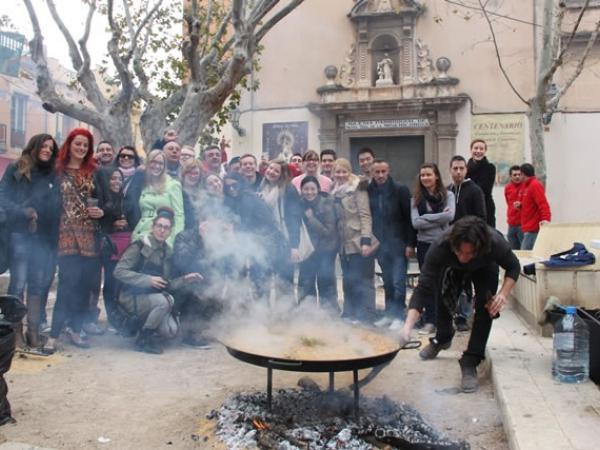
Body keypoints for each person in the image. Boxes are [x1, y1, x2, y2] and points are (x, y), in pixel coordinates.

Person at [398, 216, 520, 393]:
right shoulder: (441, 246)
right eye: (460, 252)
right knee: (442, 293)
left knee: (487, 308)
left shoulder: (494, 242)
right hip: (451, 267)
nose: (464, 257)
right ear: (453, 245)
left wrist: (502, 294)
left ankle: (471, 361)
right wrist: (407, 327)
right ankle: (443, 337)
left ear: (479, 247)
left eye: (469, 253)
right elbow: (423, 288)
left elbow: (514, 267)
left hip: (484, 267)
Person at [45, 128, 105, 352]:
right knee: (67, 285)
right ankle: (54, 334)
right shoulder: (57, 171)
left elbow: (104, 200)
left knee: (83, 287)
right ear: (69, 145)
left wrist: (101, 211)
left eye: (85, 145)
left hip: (89, 235)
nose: (81, 148)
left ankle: (76, 328)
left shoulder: (94, 171)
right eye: (77, 144)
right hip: (65, 234)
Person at [0, 134, 60, 349]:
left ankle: (32, 332)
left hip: (43, 238)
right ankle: (14, 335)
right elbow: (2, 197)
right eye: (44, 146)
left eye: (51, 148)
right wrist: (23, 212)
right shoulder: (17, 168)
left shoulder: (53, 174)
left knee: (37, 285)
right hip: (19, 234)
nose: (47, 151)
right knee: (18, 283)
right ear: (34, 146)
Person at [115, 207, 199, 354]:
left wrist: (184, 280)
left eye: (166, 228)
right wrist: (147, 280)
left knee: (171, 331)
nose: (162, 230)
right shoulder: (140, 246)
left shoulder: (167, 251)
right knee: (165, 301)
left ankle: (145, 326)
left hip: (151, 297)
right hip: (130, 297)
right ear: (153, 227)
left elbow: (166, 283)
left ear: (170, 231)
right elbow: (119, 272)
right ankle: (143, 339)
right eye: (159, 226)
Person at [367, 159, 416, 329]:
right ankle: (389, 314)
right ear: (372, 173)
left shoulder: (400, 190)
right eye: (377, 172)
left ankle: (398, 316)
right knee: (387, 281)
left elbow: (409, 218)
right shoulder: (369, 190)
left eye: (383, 172)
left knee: (398, 281)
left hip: (399, 243)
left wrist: (410, 243)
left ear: (388, 171)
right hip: (381, 245)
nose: (380, 175)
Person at [411, 163, 455, 334]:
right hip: (424, 245)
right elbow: (415, 223)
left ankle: (444, 321)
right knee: (428, 283)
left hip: (444, 244)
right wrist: (439, 217)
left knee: (443, 283)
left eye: (429, 174)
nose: (425, 178)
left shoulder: (448, 195)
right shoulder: (415, 198)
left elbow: (450, 216)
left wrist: (426, 218)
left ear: (436, 176)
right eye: (422, 175)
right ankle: (430, 320)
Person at [331, 158, 378, 322]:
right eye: (338, 171)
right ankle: (350, 312)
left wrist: (366, 241)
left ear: (349, 172)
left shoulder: (358, 188)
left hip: (358, 242)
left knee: (362, 281)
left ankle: (365, 315)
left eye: (344, 171)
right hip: (344, 244)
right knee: (348, 279)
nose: (341, 175)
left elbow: (365, 215)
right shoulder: (334, 190)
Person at [448, 155, 486, 332]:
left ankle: (464, 316)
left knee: (467, 281)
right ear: (450, 170)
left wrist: (473, 240)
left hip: (469, 244)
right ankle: (454, 314)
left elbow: (481, 217)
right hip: (452, 244)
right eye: (455, 168)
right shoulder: (448, 191)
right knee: (453, 279)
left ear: (466, 170)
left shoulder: (474, 190)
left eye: (461, 168)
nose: (458, 172)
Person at [259, 158, 302, 299]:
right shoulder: (262, 187)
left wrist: (294, 245)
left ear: (282, 175)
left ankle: (285, 315)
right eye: (270, 168)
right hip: (265, 240)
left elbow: (294, 218)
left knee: (284, 280)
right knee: (264, 279)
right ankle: (263, 313)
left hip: (284, 239)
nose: (271, 172)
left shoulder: (288, 189)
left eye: (276, 171)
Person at [100, 168, 136, 328]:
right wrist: (112, 224)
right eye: (113, 179)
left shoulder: (126, 200)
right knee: (110, 284)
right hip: (110, 246)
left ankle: (123, 318)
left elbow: (134, 220)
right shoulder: (102, 200)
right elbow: (99, 223)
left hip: (126, 245)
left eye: (120, 179)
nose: (117, 182)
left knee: (123, 284)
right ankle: (112, 319)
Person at [297, 176, 338, 311]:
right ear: (301, 190)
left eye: (312, 189)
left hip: (325, 250)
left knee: (325, 282)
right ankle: (308, 313)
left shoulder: (326, 204)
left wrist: (311, 219)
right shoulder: (299, 204)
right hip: (307, 251)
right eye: (306, 189)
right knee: (306, 283)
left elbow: (328, 231)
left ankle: (329, 314)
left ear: (318, 189)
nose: (309, 192)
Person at [132, 149, 184, 247]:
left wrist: (172, 242)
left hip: (162, 236)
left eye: (160, 163)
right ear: (148, 163)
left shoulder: (173, 184)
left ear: (164, 166)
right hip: (140, 233)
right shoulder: (144, 184)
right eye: (153, 162)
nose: (157, 166)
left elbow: (179, 215)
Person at [519, 163, 551, 250]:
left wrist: (546, 220)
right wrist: (521, 205)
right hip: (527, 227)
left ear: (523, 174)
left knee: (524, 255)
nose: (518, 176)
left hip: (533, 229)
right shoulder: (526, 186)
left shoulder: (535, 185)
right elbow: (530, 204)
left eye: (519, 174)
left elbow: (543, 204)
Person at [467, 139, 496, 227]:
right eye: (476, 148)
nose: (478, 151)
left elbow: (485, 189)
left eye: (481, 149)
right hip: (468, 206)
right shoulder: (465, 168)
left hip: (485, 206)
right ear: (471, 150)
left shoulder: (490, 167)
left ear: (485, 151)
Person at [504, 165, 524, 250]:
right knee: (513, 251)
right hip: (511, 224)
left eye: (519, 174)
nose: (517, 177)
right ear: (510, 176)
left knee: (524, 250)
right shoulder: (507, 188)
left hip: (522, 224)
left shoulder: (525, 186)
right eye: (515, 175)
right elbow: (508, 203)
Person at [180, 158, 203, 230]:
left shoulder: (203, 195)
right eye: (189, 172)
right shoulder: (178, 192)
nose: (193, 176)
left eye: (196, 173)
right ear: (183, 173)